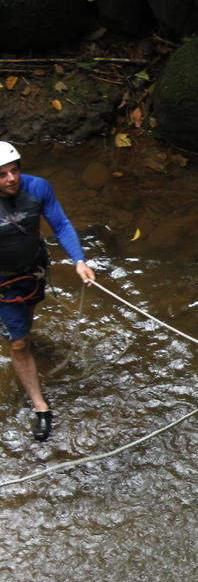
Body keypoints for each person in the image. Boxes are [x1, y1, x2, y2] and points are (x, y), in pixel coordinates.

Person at [0, 142, 95, 442]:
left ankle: (17, 329)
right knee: (19, 344)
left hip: (33, 271)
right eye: (1, 175)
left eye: (14, 171)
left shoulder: (38, 188)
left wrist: (79, 260)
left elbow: (60, 223)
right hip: (2, 282)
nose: (11, 178)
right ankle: (41, 406)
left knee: (27, 318)